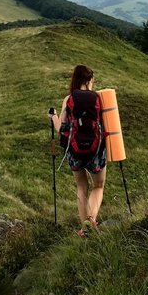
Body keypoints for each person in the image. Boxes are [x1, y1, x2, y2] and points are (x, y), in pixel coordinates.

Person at [48, 65, 107, 237]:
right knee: (98, 185)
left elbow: (62, 129)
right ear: (89, 81)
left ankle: (84, 228)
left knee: (82, 186)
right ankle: (91, 220)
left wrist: (53, 117)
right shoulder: (98, 98)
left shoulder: (69, 99)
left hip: (74, 152)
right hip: (96, 151)